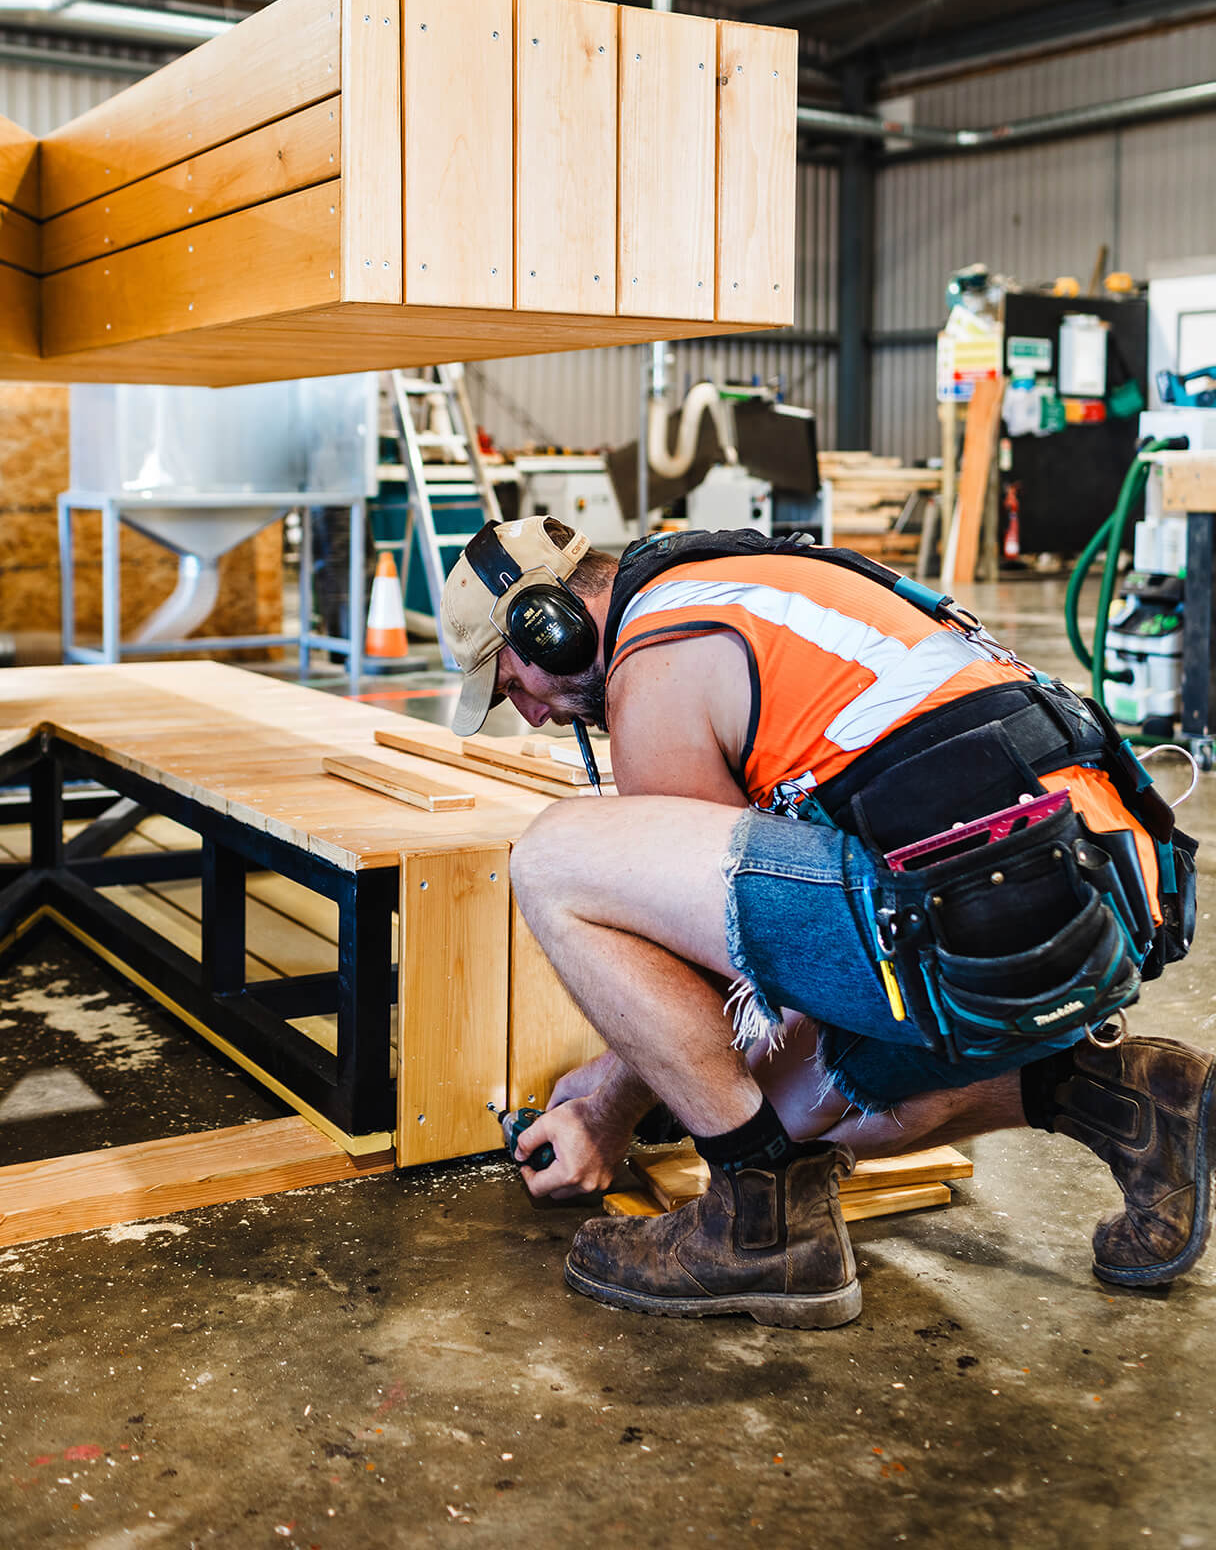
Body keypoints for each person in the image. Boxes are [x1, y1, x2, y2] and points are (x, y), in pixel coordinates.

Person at [440, 515, 1210, 1330]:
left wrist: (608, 1106)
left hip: (978, 903)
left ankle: (759, 1229)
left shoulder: (654, 662)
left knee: (555, 856)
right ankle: (1129, 1097)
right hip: (1092, 897)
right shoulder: (734, 583)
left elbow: (713, 962)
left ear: (547, 626)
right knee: (791, 1115)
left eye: (512, 683)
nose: (529, 715)